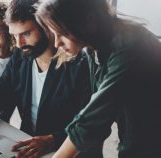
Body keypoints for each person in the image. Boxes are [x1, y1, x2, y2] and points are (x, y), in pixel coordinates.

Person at [0, 0, 99, 157]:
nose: (19, 44)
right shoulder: (21, 57)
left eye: (26, 34)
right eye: (14, 35)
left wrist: (52, 140)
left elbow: (91, 125)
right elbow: (0, 91)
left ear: (46, 27)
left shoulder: (79, 64)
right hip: (28, 146)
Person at [35, 0, 161, 158]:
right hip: (135, 140)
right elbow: (96, 118)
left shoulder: (130, 46)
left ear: (89, 21)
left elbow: (95, 117)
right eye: (54, 34)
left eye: (62, 33)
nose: (56, 42)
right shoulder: (92, 46)